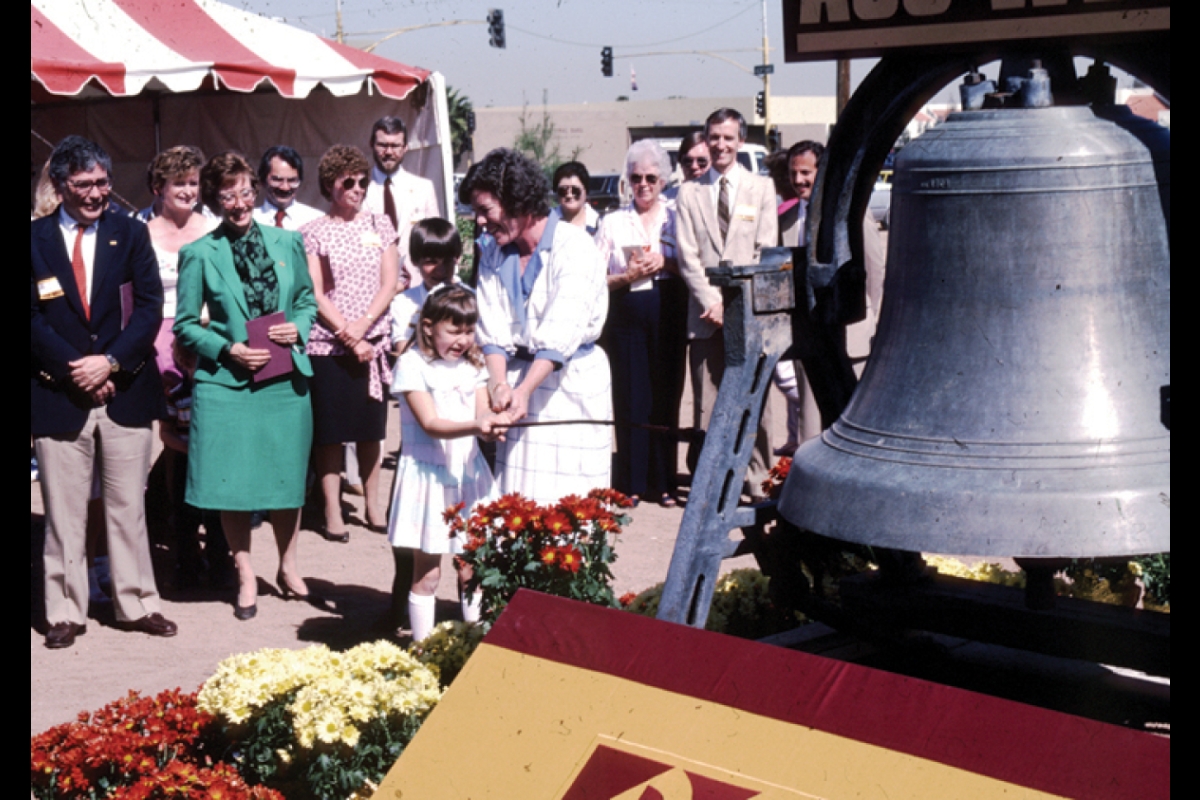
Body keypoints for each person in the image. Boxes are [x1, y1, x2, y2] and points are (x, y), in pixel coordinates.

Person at [32, 135, 176, 649]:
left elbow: (149, 307)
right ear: (59, 185)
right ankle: (65, 611)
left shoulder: (130, 234)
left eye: (103, 183)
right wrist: (77, 370)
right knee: (64, 513)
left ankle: (137, 602)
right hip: (58, 395)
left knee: (126, 506)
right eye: (84, 184)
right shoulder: (35, 239)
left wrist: (111, 361)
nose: (97, 193)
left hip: (126, 391)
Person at [174, 151, 318, 621]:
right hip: (228, 384)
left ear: (255, 191)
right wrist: (228, 349)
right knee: (232, 484)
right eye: (226, 195)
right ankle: (245, 574)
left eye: (244, 192)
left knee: (285, 478)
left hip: (283, 381)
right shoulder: (198, 253)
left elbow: (305, 300)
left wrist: (297, 328)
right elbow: (185, 326)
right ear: (213, 202)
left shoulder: (287, 241)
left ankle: (288, 566)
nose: (238, 203)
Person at [461, 148, 612, 503]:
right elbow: (493, 331)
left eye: (486, 210)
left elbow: (563, 330)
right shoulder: (495, 254)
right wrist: (500, 386)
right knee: (520, 499)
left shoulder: (574, 248)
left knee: (570, 501)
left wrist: (525, 390)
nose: (480, 222)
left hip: (570, 384)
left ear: (515, 200)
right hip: (519, 386)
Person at [388, 285, 507, 641]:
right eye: (453, 331)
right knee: (428, 574)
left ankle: (472, 643)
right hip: (428, 477)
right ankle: (422, 648)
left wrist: (491, 426)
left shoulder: (474, 365)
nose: (462, 339)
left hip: (467, 474)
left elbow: (482, 412)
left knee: (471, 568)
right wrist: (476, 425)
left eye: (469, 331)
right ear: (428, 326)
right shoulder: (411, 364)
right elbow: (431, 423)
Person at [675, 108, 778, 499]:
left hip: (748, 315)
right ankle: (713, 485)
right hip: (704, 318)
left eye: (728, 137)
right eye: (714, 136)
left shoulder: (761, 189)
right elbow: (688, 257)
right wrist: (712, 302)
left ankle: (759, 480)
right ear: (706, 138)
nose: (720, 145)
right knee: (708, 405)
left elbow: (764, 251)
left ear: (740, 141)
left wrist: (733, 304)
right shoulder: (690, 192)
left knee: (756, 401)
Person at [301, 145, 399, 542]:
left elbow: (390, 282)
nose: (358, 188)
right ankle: (331, 509)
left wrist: (363, 327)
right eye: (349, 182)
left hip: (371, 341)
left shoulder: (381, 224)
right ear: (330, 185)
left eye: (363, 180)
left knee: (370, 429)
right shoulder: (313, 231)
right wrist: (346, 332)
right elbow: (315, 291)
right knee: (330, 433)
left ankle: (373, 505)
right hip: (328, 344)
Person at [776, 140, 887, 452]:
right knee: (811, 430)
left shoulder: (851, 218)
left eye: (806, 173)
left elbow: (875, 274)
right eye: (793, 173)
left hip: (851, 339)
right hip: (809, 341)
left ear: (822, 172)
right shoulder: (785, 221)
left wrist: (874, 325)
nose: (798, 181)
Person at [595, 140, 679, 506]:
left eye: (650, 177)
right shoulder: (612, 221)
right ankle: (630, 481)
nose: (643, 184)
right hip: (626, 314)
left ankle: (663, 482)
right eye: (635, 178)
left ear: (662, 179)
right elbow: (595, 277)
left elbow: (694, 265)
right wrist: (625, 277)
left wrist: (665, 263)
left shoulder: (676, 215)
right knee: (630, 398)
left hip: (668, 309)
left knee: (665, 395)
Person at [143, 146, 216, 380]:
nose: (188, 191)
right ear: (159, 188)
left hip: (205, 326)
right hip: (157, 330)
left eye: (193, 183)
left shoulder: (214, 229)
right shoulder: (141, 234)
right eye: (179, 184)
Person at [364, 116, 440, 290]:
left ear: (405, 148)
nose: (389, 152)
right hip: (370, 288)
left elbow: (435, 241)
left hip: (416, 285)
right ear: (371, 145)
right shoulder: (358, 190)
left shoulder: (424, 188)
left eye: (395, 146)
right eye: (383, 145)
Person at [389, 217, 463, 348]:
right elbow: (402, 347)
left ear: (457, 258)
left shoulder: (471, 298)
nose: (440, 271)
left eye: (447, 261)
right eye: (431, 262)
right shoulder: (404, 302)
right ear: (415, 261)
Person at [253, 145, 323, 231]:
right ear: (262, 181)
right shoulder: (250, 222)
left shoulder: (316, 221)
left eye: (292, 180)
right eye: (277, 180)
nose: (285, 188)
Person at [549, 161, 601, 236]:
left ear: (586, 191)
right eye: (563, 191)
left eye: (575, 190)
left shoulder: (599, 224)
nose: (569, 195)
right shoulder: (548, 222)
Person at [663, 130, 710, 201]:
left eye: (701, 161)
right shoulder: (666, 200)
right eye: (688, 161)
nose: (694, 166)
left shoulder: (722, 199)